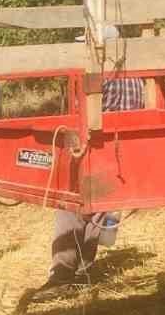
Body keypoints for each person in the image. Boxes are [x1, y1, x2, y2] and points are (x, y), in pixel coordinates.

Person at [45, 70, 148, 286]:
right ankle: (84, 269)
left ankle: (62, 273)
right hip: (121, 152)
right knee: (100, 211)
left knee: (70, 208)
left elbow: (81, 114)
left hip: (95, 148)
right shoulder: (137, 77)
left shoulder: (95, 78)